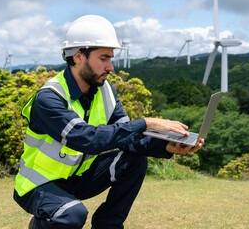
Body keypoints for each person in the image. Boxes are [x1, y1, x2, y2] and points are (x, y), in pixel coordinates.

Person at [13, 14, 204, 229]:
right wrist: (146, 123)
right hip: (38, 186)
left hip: (78, 179)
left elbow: (128, 139)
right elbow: (85, 139)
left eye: (111, 58)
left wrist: (168, 146)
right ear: (78, 56)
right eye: (104, 58)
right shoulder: (49, 98)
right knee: (72, 214)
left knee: (135, 159)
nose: (110, 67)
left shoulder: (106, 91)